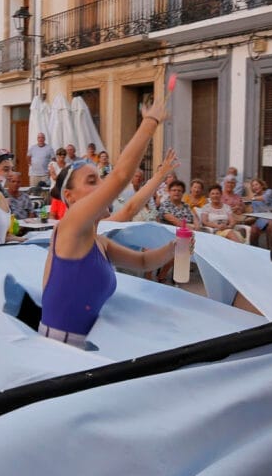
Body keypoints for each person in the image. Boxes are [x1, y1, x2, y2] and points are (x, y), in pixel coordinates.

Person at [40, 101, 178, 347]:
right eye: (92, 180)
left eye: (101, 178)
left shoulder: (98, 241)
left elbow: (144, 260)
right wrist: (150, 122)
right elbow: (120, 176)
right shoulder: (69, 227)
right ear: (69, 197)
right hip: (58, 351)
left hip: (86, 347)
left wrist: (173, 249)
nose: (103, 185)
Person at [245, 177, 272, 247]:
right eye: (253, 186)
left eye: (256, 184)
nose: (255, 187)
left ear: (262, 185)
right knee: (253, 228)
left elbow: (265, 198)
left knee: (271, 224)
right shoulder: (254, 201)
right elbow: (256, 213)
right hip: (261, 219)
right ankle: (254, 250)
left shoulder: (269, 191)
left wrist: (252, 198)